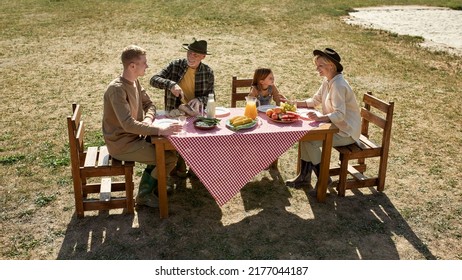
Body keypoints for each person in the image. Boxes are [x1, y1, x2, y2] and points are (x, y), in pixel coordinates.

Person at [102, 45, 182, 208]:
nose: (147, 66)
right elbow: (128, 124)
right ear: (132, 66)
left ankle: (155, 184)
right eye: (144, 63)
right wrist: (159, 129)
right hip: (121, 144)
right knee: (169, 158)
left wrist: (147, 120)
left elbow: (149, 104)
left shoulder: (134, 82)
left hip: (135, 137)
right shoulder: (117, 89)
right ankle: (145, 195)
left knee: (168, 151)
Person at [286, 48, 361, 191]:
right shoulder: (328, 81)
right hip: (336, 127)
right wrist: (293, 103)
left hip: (346, 132)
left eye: (320, 65)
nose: (317, 69)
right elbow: (315, 101)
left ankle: (323, 178)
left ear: (331, 66)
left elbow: (340, 114)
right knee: (305, 137)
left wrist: (321, 117)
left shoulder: (338, 85)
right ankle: (304, 177)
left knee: (311, 141)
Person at [150, 38, 215, 177]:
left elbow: (211, 96)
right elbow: (153, 79)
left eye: (196, 55)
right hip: (174, 112)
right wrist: (171, 84)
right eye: (190, 53)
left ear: (203, 57)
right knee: (174, 142)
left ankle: (196, 168)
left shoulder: (208, 72)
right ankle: (178, 167)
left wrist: (199, 99)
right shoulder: (175, 65)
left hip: (195, 114)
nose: (192, 56)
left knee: (201, 139)